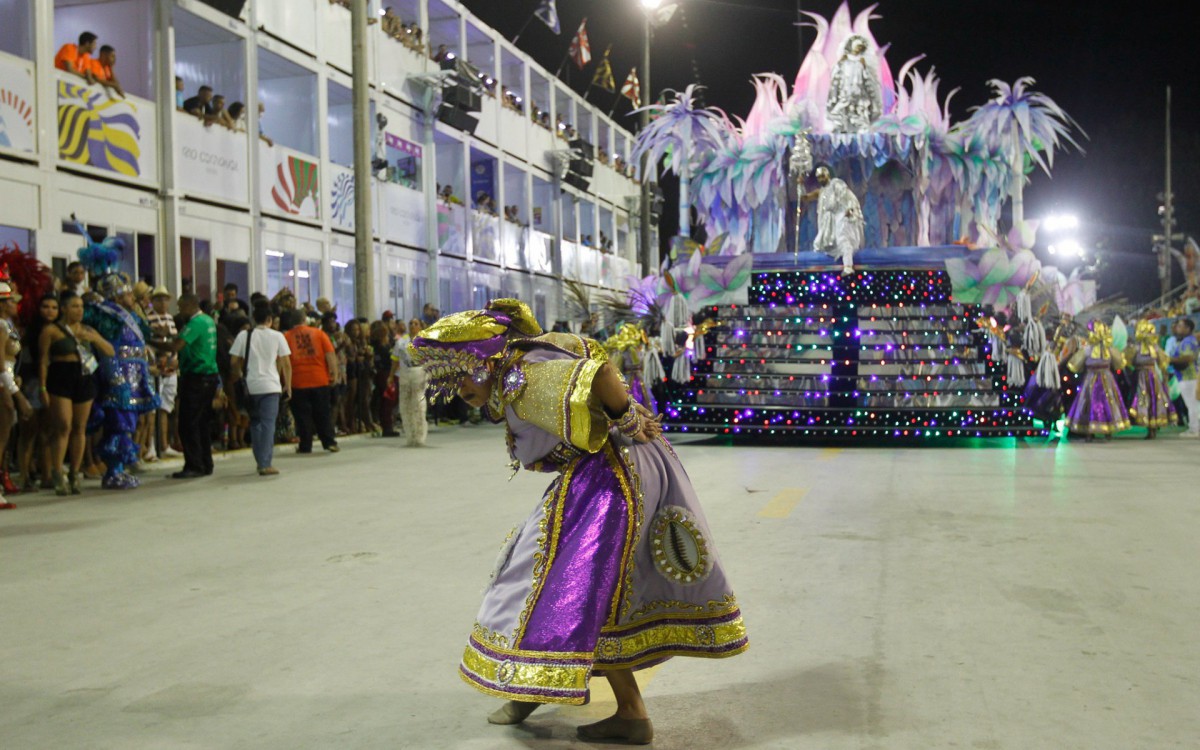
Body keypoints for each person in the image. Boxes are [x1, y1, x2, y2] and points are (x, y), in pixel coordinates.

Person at [409, 300, 747, 744]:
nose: (456, 391)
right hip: (606, 469)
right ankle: (536, 685)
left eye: (459, 376)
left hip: (611, 474)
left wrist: (625, 414)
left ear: (484, 360)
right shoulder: (522, 361)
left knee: (575, 586)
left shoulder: (523, 375)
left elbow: (602, 373)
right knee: (558, 580)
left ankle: (625, 711)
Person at [39, 292, 113, 495]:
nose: (79, 310)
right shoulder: (51, 331)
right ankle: (57, 472)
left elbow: (110, 351)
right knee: (63, 425)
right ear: (64, 308)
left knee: (80, 427)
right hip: (60, 378)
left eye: (81, 306)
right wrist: (42, 387)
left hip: (84, 378)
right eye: (74, 306)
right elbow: (44, 360)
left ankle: (74, 472)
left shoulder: (87, 330)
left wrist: (94, 339)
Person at [160, 294, 219, 478]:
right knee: (201, 423)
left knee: (188, 423)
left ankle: (194, 465)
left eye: (180, 306)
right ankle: (205, 463)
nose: (178, 310)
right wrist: (169, 335)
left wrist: (152, 342)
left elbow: (176, 346)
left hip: (196, 377)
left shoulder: (195, 323)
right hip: (208, 377)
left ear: (189, 305)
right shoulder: (207, 321)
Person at [231, 305, 292, 475]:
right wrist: (288, 384)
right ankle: (265, 463)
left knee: (256, 423)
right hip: (271, 385)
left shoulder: (244, 335)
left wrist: (240, 373)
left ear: (254, 319)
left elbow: (233, 361)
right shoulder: (278, 336)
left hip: (251, 386)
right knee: (268, 424)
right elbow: (286, 363)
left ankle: (260, 459)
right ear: (270, 320)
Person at [17, 294, 60, 492]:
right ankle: (25, 477)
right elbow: (23, 363)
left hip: (54, 383)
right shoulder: (31, 334)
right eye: (45, 306)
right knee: (29, 432)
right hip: (33, 384)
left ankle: (47, 475)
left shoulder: (60, 331)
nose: (49, 311)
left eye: (53, 307)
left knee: (48, 432)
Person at [282, 310, 339, 454]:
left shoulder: (287, 337)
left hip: (297, 381)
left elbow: (283, 361)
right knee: (323, 413)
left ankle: (305, 445)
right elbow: (330, 355)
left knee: (302, 416)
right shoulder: (319, 334)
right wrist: (334, 373)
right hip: (319, 379)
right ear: (305, 320)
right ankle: (329, 442)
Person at [1065, 322, 1130, 441]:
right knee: (1096, 403)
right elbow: (1119, 363)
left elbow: (1074, 365)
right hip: (1095, 379)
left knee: (1105, 403)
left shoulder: (1101, 349)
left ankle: (1104, 431)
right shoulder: (1091, 349)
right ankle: (1093, 432)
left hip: (1100, 379)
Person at [0, 274, 34, 501]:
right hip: (3, 386)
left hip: (7, 382)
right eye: (11, 300)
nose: (16, 304)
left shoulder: (8, 325)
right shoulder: (1, 325)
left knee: (5, 438)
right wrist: (15, 393)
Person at [804, 165, 863, 276]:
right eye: (819, 177)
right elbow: (805, 197)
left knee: (843, 239)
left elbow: (848, 196)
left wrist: (850, 209)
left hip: (840, 215)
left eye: (823, 176)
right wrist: (799, 184)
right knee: (820, 244)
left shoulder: (836, 184)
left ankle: (848, 267)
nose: (821, 179)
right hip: (827, 223)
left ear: (828, 175)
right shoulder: (821, 191)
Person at [1125, 320, 1176, 439]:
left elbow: (1163, 363)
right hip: (1142, 377)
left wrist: (1165, 378)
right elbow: (1128, 361)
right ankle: (1150, 427)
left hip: (1151, 378)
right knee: (1145, 400)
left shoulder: (1153, 348)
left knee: (1152, 400)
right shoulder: (1139, 348)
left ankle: (1152, 428)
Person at [147, 287, 180, 459]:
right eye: (159, 299)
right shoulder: (148, 317)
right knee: (153, 409)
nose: (163, 302)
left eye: (165, 299)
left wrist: (175, 359)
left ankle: (164, 444)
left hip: (170, 367)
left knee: (166, 407)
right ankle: (151, 446)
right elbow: (149, 343)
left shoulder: (170, 318)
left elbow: (174, 341)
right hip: (157, 366)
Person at [825, 34, 882, 133]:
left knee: (860, 111)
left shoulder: (863, 62)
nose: (858, 49)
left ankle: (860, 127)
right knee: (842, 110)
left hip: (859, 94)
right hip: (845, 93)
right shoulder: (842, 62)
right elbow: (836, 79)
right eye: (856, 46)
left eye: (860, 47)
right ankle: (842, 126)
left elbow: (868, 79)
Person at [391, 318, 427, 446]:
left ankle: (420, 435)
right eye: (410, 323)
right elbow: (395, 360)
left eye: (416, 324)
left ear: (420, 327)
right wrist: (391, 376)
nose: (412, 326)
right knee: (405, 405)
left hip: (419, 373)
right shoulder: (401, 342)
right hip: (405, 374)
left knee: (418, 404)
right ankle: (410, 435)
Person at [1165, 317, 1199, 436]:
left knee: (1192, 404)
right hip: (1187, 377)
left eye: (1180, 326)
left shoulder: (1188, 341)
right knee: (1192, 404)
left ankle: (1195, 429)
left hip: (1188, 378)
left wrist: (1169, 359)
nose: (1176, 328)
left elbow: (1188, 358)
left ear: (1188, 328)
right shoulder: (1187, 340)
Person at [369, 320, 399, 437]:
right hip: (385, 374)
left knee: (389, 401)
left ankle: (388, 424)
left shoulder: (387, 344)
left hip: (388, 373)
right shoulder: (379, 346)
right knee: (387, 400)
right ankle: (387, 427)